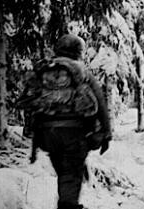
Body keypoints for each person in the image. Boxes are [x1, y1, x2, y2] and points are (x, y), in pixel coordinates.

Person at [17, 34, 111, 209]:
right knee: (70, 173)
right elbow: (100, 103)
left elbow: (27, 99)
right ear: (78, 51)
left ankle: (66, 202)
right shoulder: (80, 71)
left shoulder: (44, 69)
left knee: (64, 171)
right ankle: (68, 205)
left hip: (46, 134)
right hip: (74, 133)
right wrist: (106, 133)